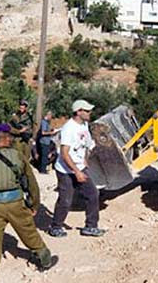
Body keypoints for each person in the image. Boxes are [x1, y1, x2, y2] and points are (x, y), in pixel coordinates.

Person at [0, 123, 57, 283]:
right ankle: (44, 258)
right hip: (15, 202)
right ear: (7, 138)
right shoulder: (18, 155)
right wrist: (34, 204)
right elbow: (31, 182)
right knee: (28, 230)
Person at [48, 100, 106, 238]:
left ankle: (91, 226)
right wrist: (76, 171)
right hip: (66, 170)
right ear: (78, 112)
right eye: (87, 111)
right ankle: (55, 226)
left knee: (93, 194)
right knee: (66, 200)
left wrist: (85, 159)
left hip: (79, 167)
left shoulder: (84, 125)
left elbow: (87, 144)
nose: (89, 113)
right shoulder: (69, 128)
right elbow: (64, 153)